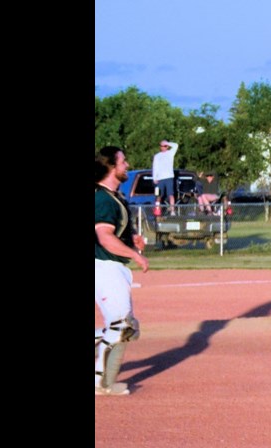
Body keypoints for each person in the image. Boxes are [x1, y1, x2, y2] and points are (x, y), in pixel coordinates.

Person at [95, 146, 149, 396]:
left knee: (127, 327)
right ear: (110, 166)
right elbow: (105, 237)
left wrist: (133, 239)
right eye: (123, 162)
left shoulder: (115, 196)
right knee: (120, 326)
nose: (126, 165)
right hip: (104, 266)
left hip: (114, 266)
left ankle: (104, 380)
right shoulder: (102, 198)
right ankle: (101, 383)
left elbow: (117, 231)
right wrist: (134, 254)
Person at [152, 140, 179, 214]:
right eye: (161, 146)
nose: (163, 147)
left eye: (165, 146)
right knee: (158, 196)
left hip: (169, 177)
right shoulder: (157, 156)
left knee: (170, 194)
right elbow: (155, 167)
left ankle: (172, 211)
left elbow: (176, 145)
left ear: (167, 147)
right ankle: (157, 211)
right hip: (160, 179)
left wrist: (167, 143)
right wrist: (154, 178)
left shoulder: (170, 153)